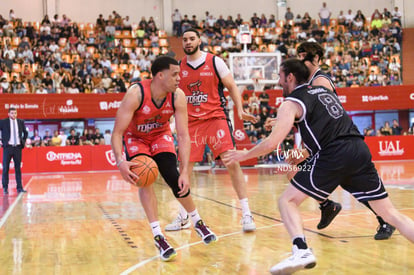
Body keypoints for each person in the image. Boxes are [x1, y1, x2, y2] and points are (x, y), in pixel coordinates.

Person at [223, 59, 414, 274]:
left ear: (290, 77)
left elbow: (272, 143)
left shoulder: (291, 101)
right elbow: (322, 123)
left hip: (334, 153)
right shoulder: (324, 92)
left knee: (287, 200)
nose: (278, 82)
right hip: (359, 148)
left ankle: (301, 250)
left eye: (279, 77)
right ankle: (326, 207)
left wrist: (244, 154)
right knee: (390, 214)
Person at [111, 56, 216, 261]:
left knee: (172, 174)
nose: (179, 78)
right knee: (146, 177)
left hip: (160, 134)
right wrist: (120, 161)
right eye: (175, 74)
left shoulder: (177, 96)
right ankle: (158, 234)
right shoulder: (135, 94)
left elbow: (184, 135)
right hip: (136, 138)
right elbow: (116, 133)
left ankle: (197, 221)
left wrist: (185, 170)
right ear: (160, 75)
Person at [292, 41, 395, 240]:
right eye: (299, 56)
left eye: (304, 56)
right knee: (294, 169)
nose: (301, 60)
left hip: (335, 145)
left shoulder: (320, 82)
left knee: (358, 187)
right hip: (328, 144)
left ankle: (381, 218)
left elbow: (327, 121)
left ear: (316, 59)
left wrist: (308, 150)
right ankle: (328, 205)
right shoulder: (309, 83)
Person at [165, 28, 258, 232]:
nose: (188, 42)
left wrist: (240, 110)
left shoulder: (215, 61)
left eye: (192, 38)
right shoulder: (179, 67)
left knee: (231, 163)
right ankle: (183, 217)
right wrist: (171, 121)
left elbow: (232, 86)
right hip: (191, 124)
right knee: (185, 170)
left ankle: (247, 213)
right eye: (185, 40)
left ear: (199, 40)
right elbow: (172, 96)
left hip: (216, 119)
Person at [0, 107, 28, 195]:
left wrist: (23, 141)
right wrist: (2, 141)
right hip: (8, 147)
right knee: (5, 168)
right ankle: (5, 188)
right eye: (12, 113)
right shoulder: (3, 122)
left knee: (18, 168)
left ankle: (19, 187)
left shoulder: (21, 121)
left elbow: (25, 132)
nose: (14, 115)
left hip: (17, 148)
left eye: (15, 113)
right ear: (8, 114)